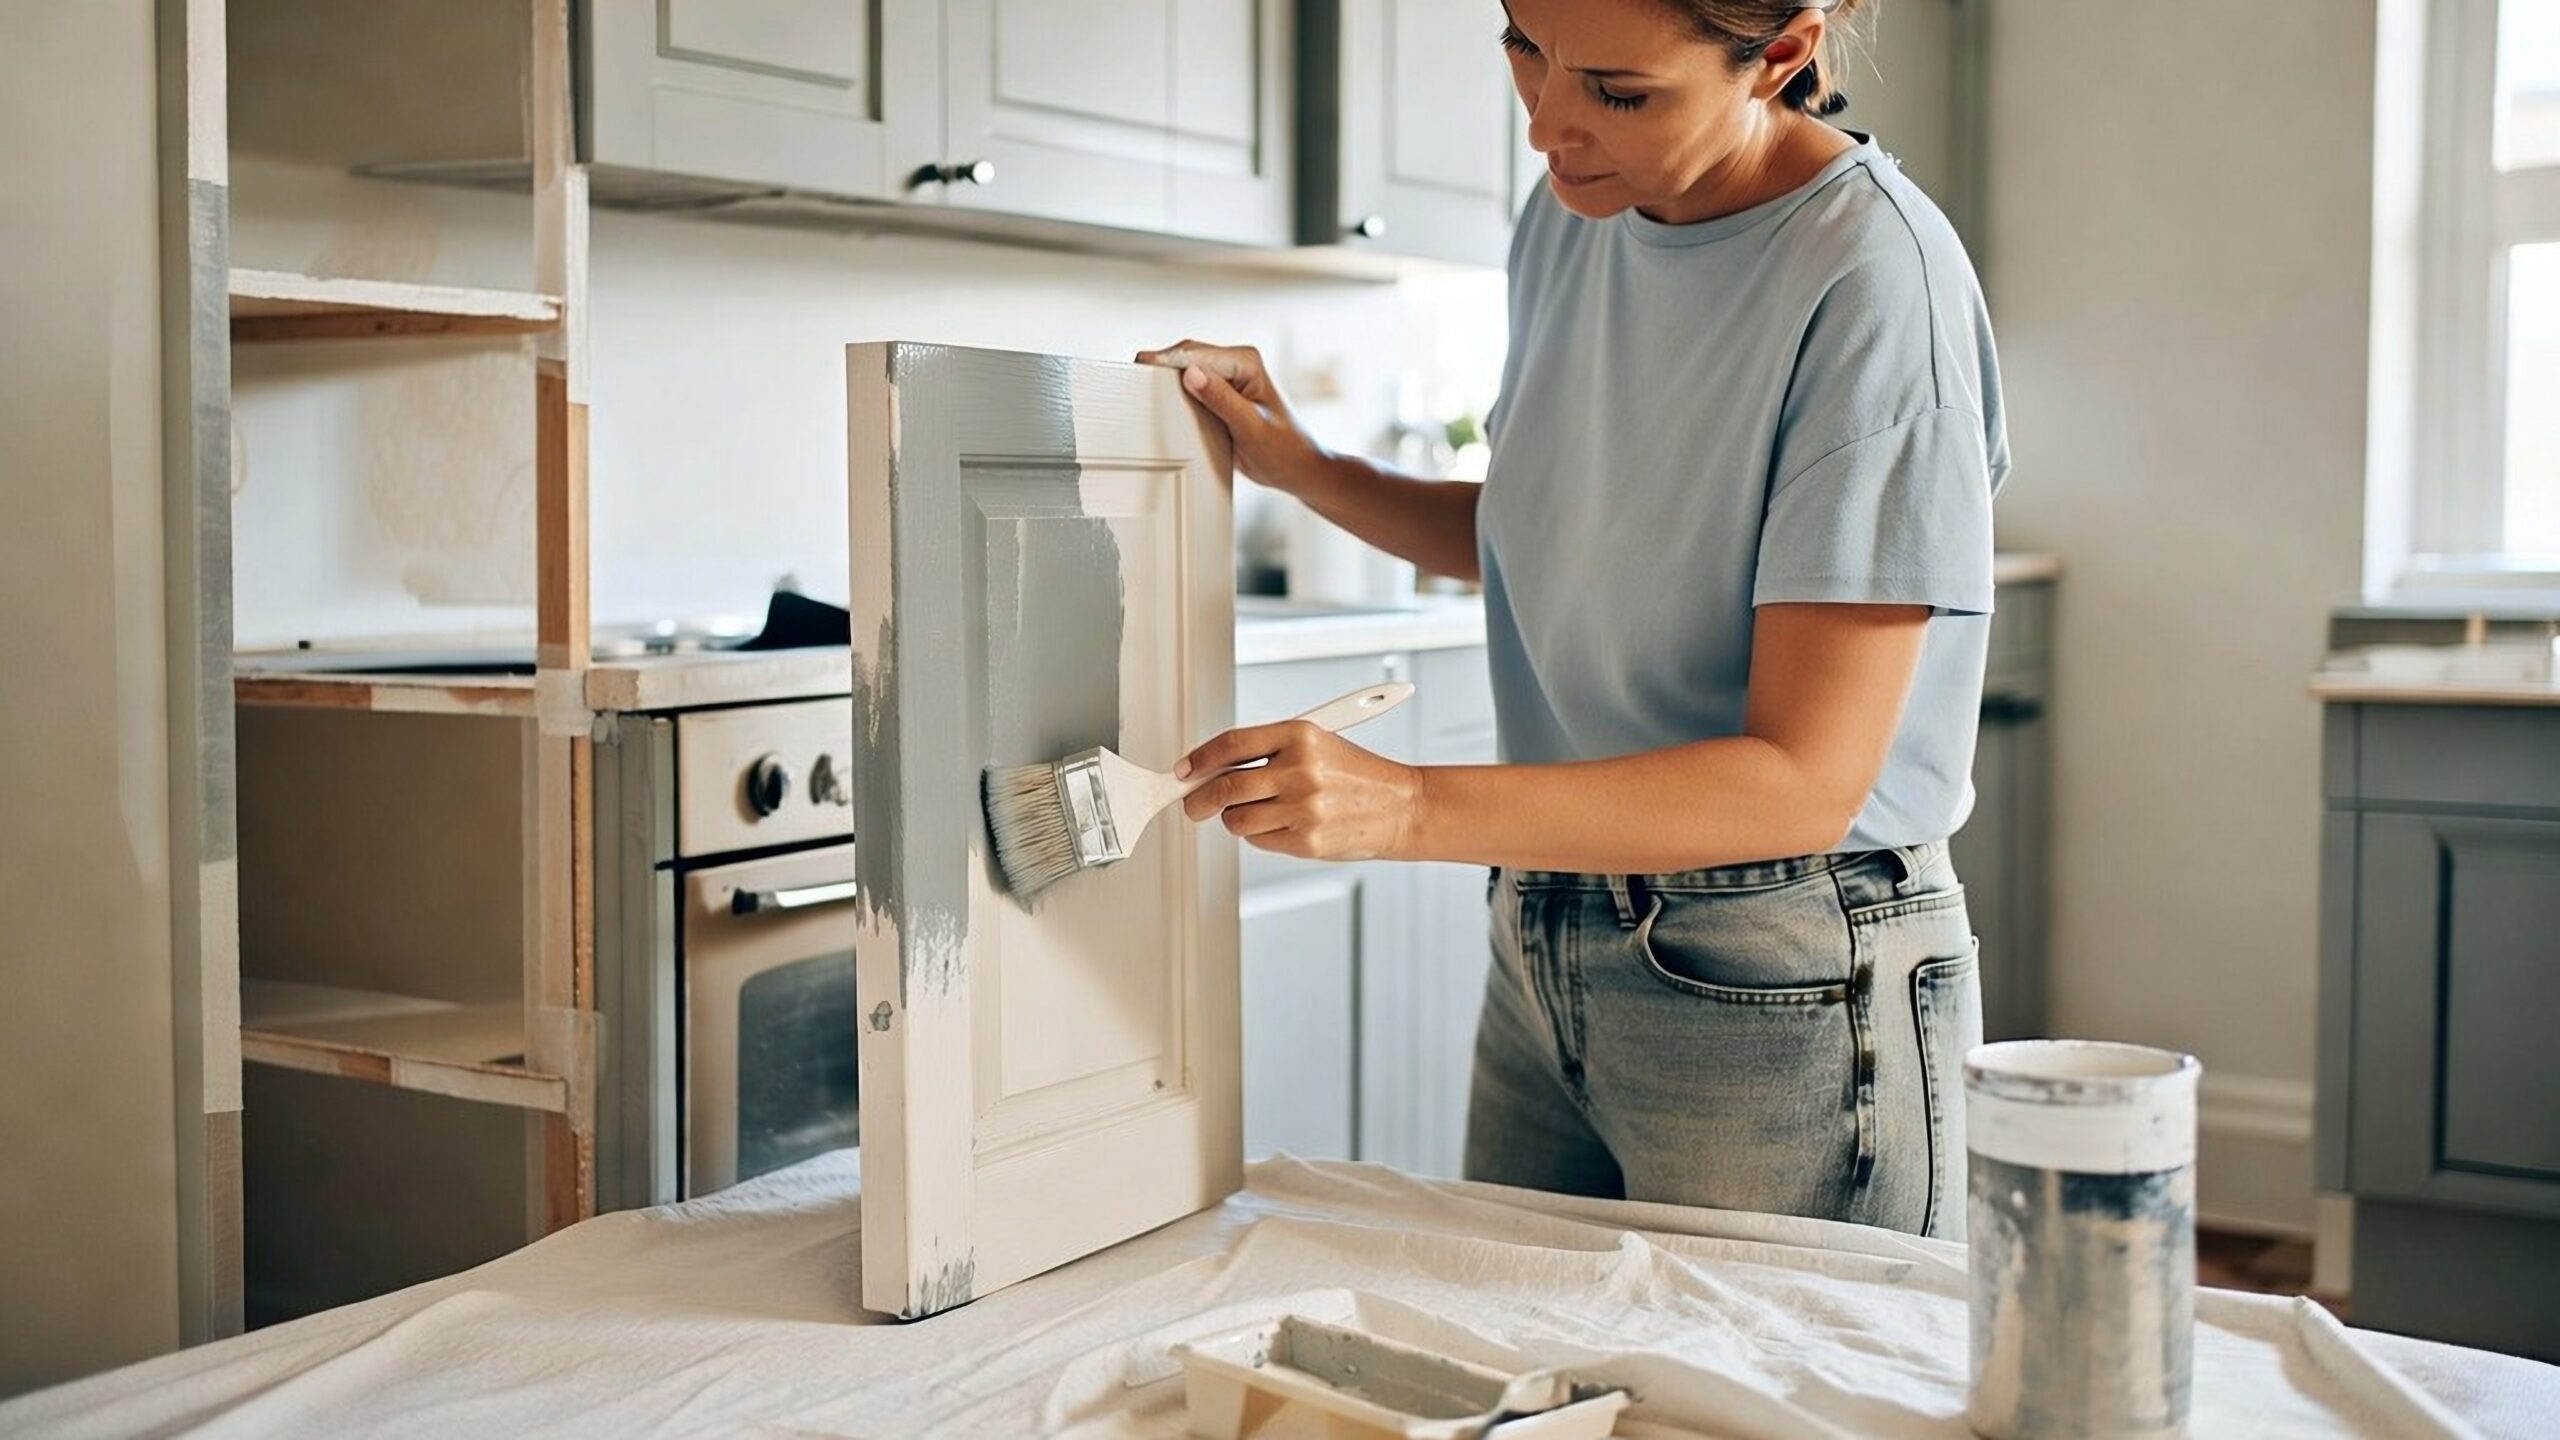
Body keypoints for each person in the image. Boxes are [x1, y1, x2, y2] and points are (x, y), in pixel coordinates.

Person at [1140, 0, 2004, 1239]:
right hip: (1546, 927)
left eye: (1617, 89)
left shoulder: (1876, 285)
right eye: (1522, 49)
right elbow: (1555, 531)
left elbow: (1800, 780)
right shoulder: (1568, 214)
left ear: (1780, 53)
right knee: (1532, 1381)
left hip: (1782, 962)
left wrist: (1408, 803)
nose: (1547, 122)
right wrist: (1308, 470)